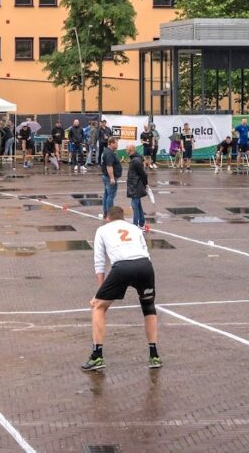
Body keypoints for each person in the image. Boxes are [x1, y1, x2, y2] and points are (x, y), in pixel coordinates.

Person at [82, 205, 161, 371]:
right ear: (123, 218)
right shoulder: (135, 228)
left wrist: (98, 294)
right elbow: (146, 253)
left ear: (107, 218)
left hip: (123, 267)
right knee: (149, 308)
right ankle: (154, 356)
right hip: (145, 266)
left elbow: (99, 262)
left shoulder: (102, 230)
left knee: (98, 307)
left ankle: (97, 356)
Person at [125, 145, 149, 229]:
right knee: (138, 205)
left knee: (135, 205)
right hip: (135, 185)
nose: (125, 150)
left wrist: (145, 184)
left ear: (130, 150)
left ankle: (135, 225)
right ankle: (141, 222)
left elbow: (143, 174)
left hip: (135, 186)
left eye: (127, 149)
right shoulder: (135, 159)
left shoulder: (136, 160)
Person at [100, 137, 121, 216]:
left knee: (106, 194)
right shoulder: (109, 153)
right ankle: (110, 214)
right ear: (111, 143)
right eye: (116, 143)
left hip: (106, 176)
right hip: (109, 177)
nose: (117, 145)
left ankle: (106, 212)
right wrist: (112, 178)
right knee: (110, 195)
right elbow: (109, 166)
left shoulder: (107, 151)